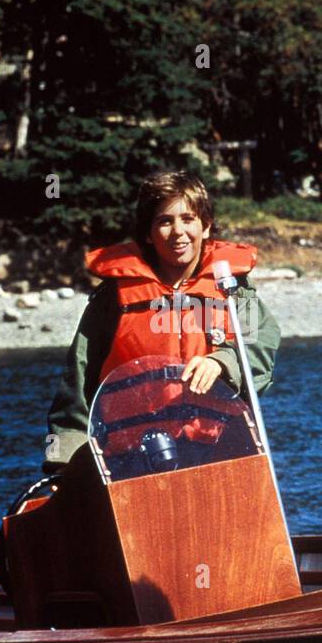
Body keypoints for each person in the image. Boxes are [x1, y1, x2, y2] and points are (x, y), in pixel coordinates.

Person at [44, 171, 280, 472]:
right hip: (131, 459)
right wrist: (63, 466)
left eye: (188, 219)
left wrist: (223, 361)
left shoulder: (233, 288)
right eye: (165, 221)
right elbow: (78, 380)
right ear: (148, 232)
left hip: (220, 452)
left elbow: (260, 345)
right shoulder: (114, 297)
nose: (178, 232)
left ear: (206, 226)